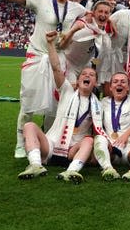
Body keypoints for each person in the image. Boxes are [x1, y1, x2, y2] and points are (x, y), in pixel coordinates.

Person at [0, 0, 86, 157]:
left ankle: (48, 143)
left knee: (55, 104)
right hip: (37, 57)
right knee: (27, 103)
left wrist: (80, 25)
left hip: (58, 60)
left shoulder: (77, 8)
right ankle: (20, 143)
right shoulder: (40, 1)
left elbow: (91, 17)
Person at [17, 31, 103, 183]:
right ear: (78, 78)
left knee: (89, 140)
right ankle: (36, 165)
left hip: (73, 150)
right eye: (84, 74)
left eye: (91, 75)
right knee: (29, 125)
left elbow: (98, 132)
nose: (87, 76)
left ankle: (71, 171)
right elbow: (56, 68)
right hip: (50, 145)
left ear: (95, 83)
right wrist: (50, 44)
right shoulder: (67, 90)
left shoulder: (98, 105)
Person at [93, 43, 130, 180]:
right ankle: (108, 169)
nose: (119, 84)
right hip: (111, 150)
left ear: (128, 87)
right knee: (99, 138)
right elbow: (96, 126)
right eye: (116, 82)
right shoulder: (103, 102)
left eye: (123, 82)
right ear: (111, 87)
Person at [59, 0, 113, 87]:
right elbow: (65, 41)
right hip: (69, 65)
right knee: (70, 91)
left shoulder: (105, 37)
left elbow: (99, 58)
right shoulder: (83, 25)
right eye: (100, 11)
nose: (103, 15)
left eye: (106, 12)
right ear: (93, 12)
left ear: (109, 15)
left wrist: (94, 63)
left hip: (85, 68)